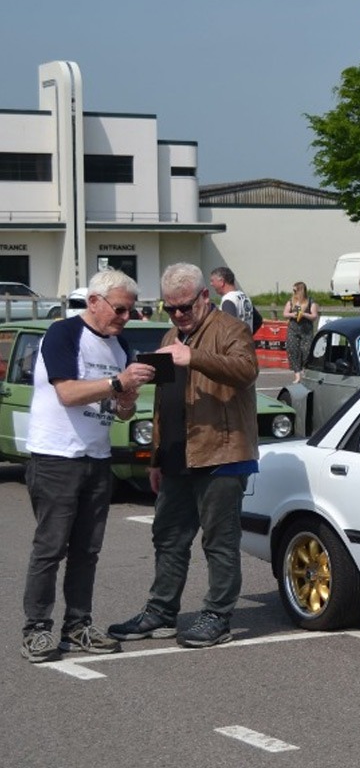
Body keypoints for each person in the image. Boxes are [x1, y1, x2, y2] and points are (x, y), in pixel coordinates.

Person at [107, 262, 260, 649]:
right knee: (168, 537)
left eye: (185, 307)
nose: (178, 315)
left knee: (219, 540)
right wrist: (157, 458)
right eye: (170, 308)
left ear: (205, 297)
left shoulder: (231, 329)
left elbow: (246, 370)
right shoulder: (172, 334)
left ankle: (218, 615)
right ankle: (160, 612)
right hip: (178, 455)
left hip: (222, 454)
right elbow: (164, 402)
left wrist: (194, 358)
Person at [20, 270, 156, 663]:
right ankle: (37, 629)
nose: (125, 317)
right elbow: (66, 393)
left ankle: (77, 625)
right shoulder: (63, 334)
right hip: (56, 456)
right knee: (50, 548)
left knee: (87, 550)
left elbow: (120, 411)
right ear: (95, 301)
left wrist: (129, 396)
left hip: (96, 459)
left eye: (132, 310)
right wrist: (118, 383)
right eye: (119, 309)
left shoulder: (120, 345)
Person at [282, 281, 318, 382]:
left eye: (295, 290)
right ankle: (297, 375)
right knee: (293, 350)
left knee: (306, 351)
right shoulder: (291, 301)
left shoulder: (310, 301)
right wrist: (292, 315)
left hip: (306, 330)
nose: (293, 292)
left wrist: (304, 314)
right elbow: (285, 313)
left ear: (300, 290)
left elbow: (314, 316)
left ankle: (305, 371)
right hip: (293, 329)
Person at [208, 266, 257, 333]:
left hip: (236, 342)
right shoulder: (244, 296)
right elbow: (258, 320)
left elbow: (229, 328)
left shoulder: (228, 300)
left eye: (212, 281)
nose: (211, 284)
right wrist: (248, 335)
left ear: (222, 281)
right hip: (247, 341)